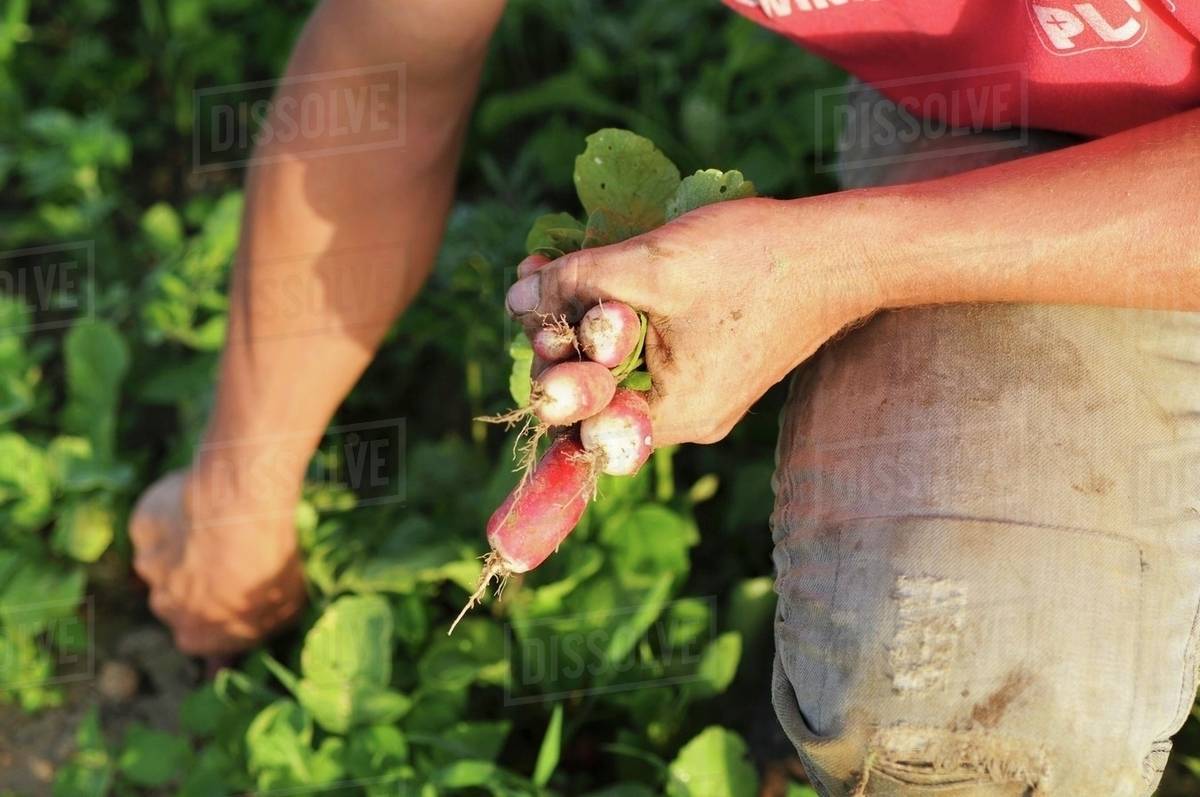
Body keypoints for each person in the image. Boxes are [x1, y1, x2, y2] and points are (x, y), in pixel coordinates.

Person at [130, 1, 1200, 794]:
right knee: (956, 739)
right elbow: (387, 58)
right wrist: (242, 484)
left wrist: (849, 265)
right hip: (1006, 112)